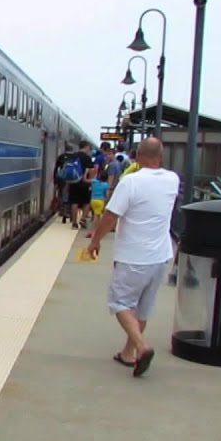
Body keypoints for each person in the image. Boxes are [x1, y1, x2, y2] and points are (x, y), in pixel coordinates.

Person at [85, 138, 180, 378]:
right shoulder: (172, 179)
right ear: (161, 156)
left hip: (133, 256)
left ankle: (141, 346)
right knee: (142, 309)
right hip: (160, 257)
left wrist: (95, 241)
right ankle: (128, 354)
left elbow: (110, 216)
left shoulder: (131, 182)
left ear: (137, 155)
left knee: (120, 303)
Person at [63, 141, 95, 229]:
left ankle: (74, 222)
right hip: (85, 183)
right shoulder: (87, 158)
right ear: (86, 147)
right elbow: (91, 170)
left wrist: (68, 183)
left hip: (73, 182)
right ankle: (83, 219)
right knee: (86, 202)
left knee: (74, 202)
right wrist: (90, 180)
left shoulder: (73, 156)